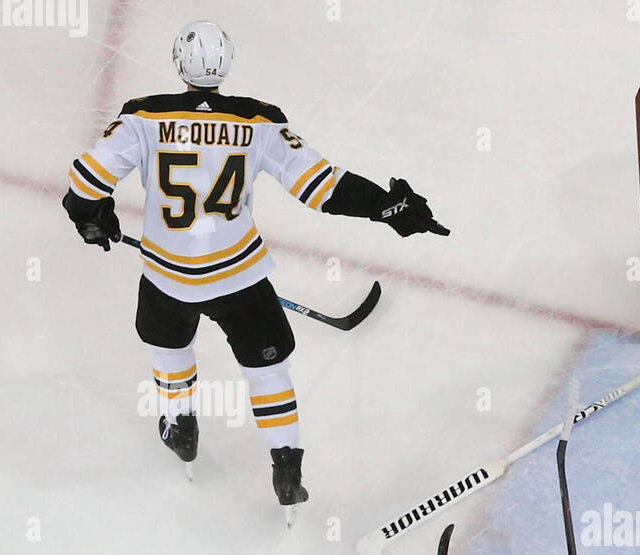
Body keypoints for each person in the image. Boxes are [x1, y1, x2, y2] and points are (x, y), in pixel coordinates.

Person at [62, 20, 448, 520]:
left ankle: (181, 428)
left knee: (170, 349)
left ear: (179, 63)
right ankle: (286, 464)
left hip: (166, 276)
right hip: (239, 278)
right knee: (267, 370)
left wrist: (94, 220)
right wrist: (385, 207)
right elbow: (322, 186)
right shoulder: (259, 122)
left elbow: (84, 184)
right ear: (226, 64)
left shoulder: (143, 117)